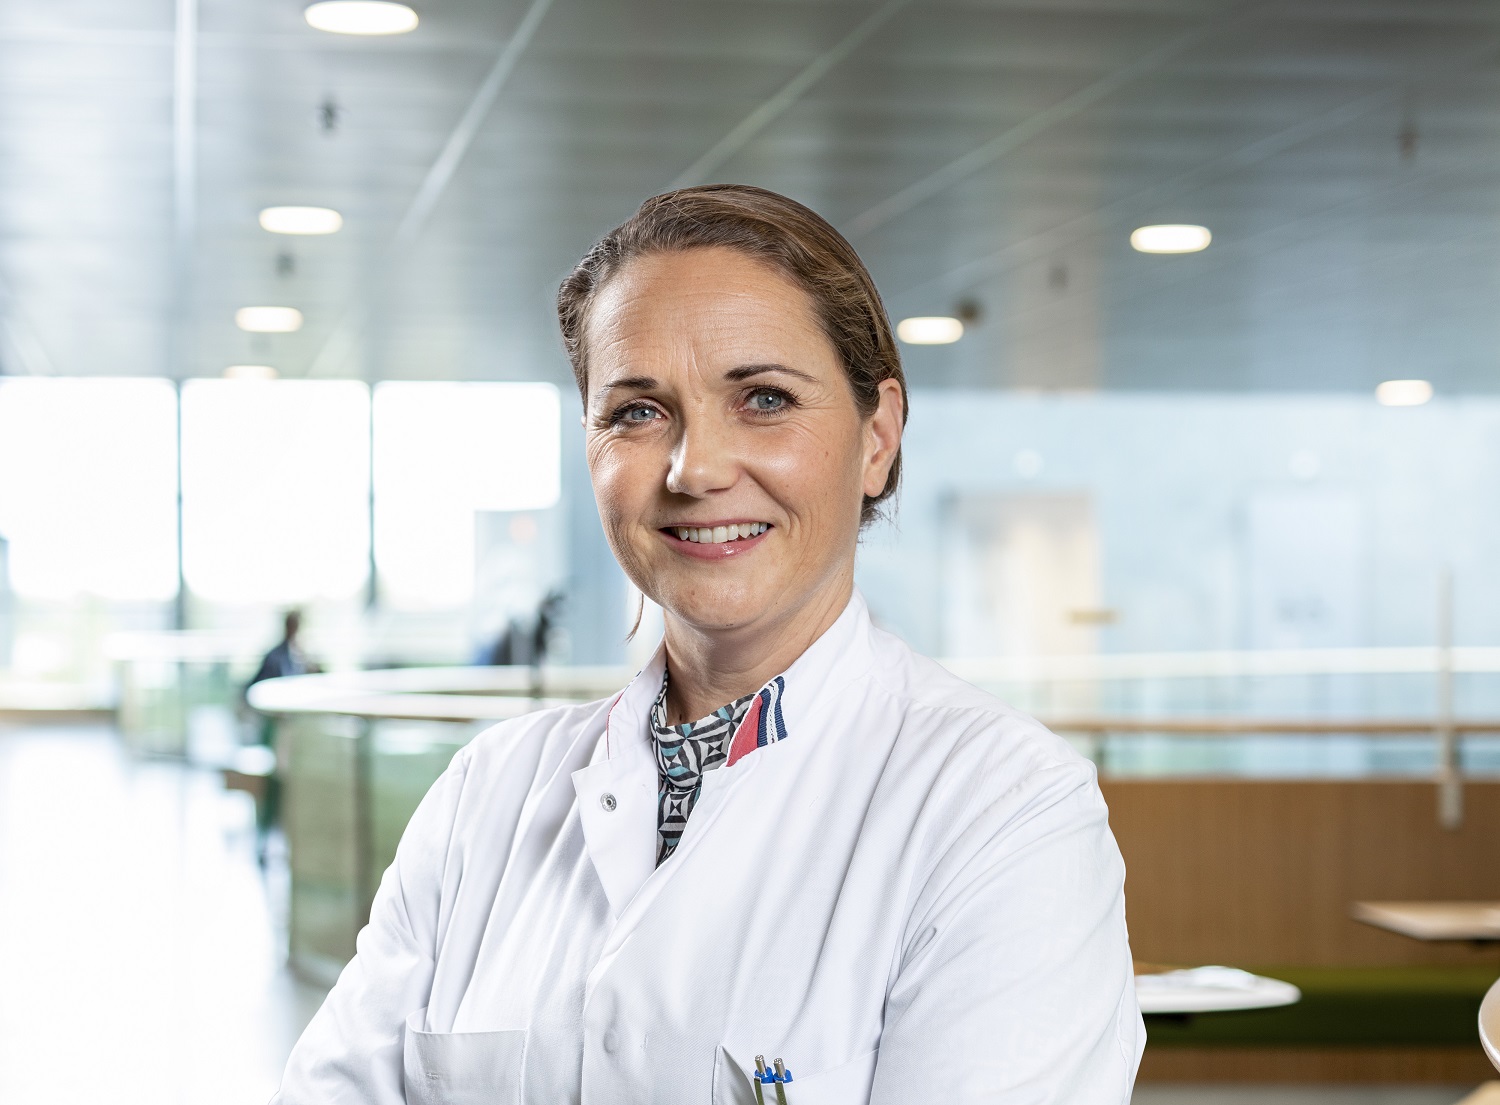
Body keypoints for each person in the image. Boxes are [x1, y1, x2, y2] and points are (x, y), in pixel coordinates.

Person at [274, 185, 1143, 1104]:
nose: (695, 470)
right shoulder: (484, 796)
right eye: (637, 412)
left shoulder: (1005, 812)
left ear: (878, 436)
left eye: (764, 398)